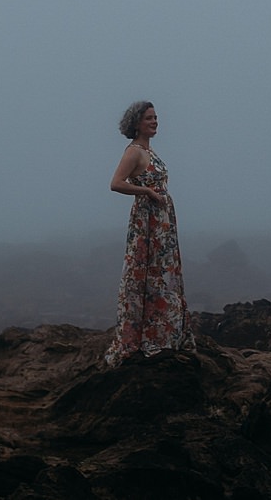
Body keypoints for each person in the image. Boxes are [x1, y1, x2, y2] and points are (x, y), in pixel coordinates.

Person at [103, 100, 196, 364]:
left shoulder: (149, 150)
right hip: (148, 220)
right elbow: (116, 183)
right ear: (136, 123)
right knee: (147, 274)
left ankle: (163, 332)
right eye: (148, 119)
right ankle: (145, 335)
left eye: (155, 118)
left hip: (161, 220)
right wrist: (146, 191)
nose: (154, 122)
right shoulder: (133, 152)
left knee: (162, 274)